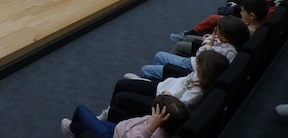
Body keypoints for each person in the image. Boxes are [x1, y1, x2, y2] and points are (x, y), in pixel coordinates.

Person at [100, 51, 229, 122]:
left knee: (121, 95)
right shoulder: (200, 74)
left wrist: (169, 97)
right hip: (162, 85)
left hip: (161, 99)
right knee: (121, 83)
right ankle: (141, 82)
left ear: (205, 71)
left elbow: (180, 106)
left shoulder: (197, 92)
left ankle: (108, 114)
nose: (196, 66)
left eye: (199, 65)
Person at [139, 16, 249, 80]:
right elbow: (210, 39)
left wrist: (208, 45)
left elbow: (201, 56)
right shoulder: (226, 41)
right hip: (192, 62)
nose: (215, 32)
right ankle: (159, 77)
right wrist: (209, 42)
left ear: (225, 37)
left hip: (193, 68)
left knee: (146, 69)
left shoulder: (228, 52)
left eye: (217, 31)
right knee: (159, 56)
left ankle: (153, 80)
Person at [172, 0, 268, 57]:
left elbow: (227, 42)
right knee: (188, 38)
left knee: (179, 46)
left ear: (251, 15)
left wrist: (209, 41)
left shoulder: (247, 31)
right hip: (215, 41)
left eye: (243, 11)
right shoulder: (251, 25)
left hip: (213, 49)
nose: (240, 13)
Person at [61, 94, 190, 138]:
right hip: (118, 128)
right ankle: (76, 128)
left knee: (80, 110)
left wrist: (150, 127)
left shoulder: (156, 132)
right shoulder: (166, 123)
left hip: (112, 136)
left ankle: (71, 128)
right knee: (83, 125)